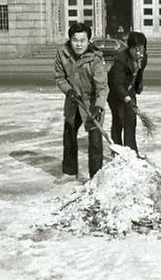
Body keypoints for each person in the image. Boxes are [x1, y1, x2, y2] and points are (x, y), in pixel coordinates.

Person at [53, 22, 109, 179]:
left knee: (95, 140)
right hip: (73, 100)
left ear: (88, 41)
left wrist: (98, 107)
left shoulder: (96, 59)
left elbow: (102, 86)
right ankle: (70, 172)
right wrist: (68, 90)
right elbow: (59, 77)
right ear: (70, 39)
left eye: (82, 40)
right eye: (75, 40)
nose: (78, 44)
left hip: (91, 102)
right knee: (69, 135)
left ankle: (96, 177)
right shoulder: (62, 54)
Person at [107, 31, 148, 157]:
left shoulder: (143, 57)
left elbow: (138, 73)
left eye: (141, 48)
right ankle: (118, 153)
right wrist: (127, 99)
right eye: (135, 49)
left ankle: (131, 153)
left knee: (131, 121)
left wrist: (137, 88)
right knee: (119, 121)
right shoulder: (121, 61)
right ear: (129, 48)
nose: (138, 52)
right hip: (115, 93)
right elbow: (117, 84)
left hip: (129, 89)